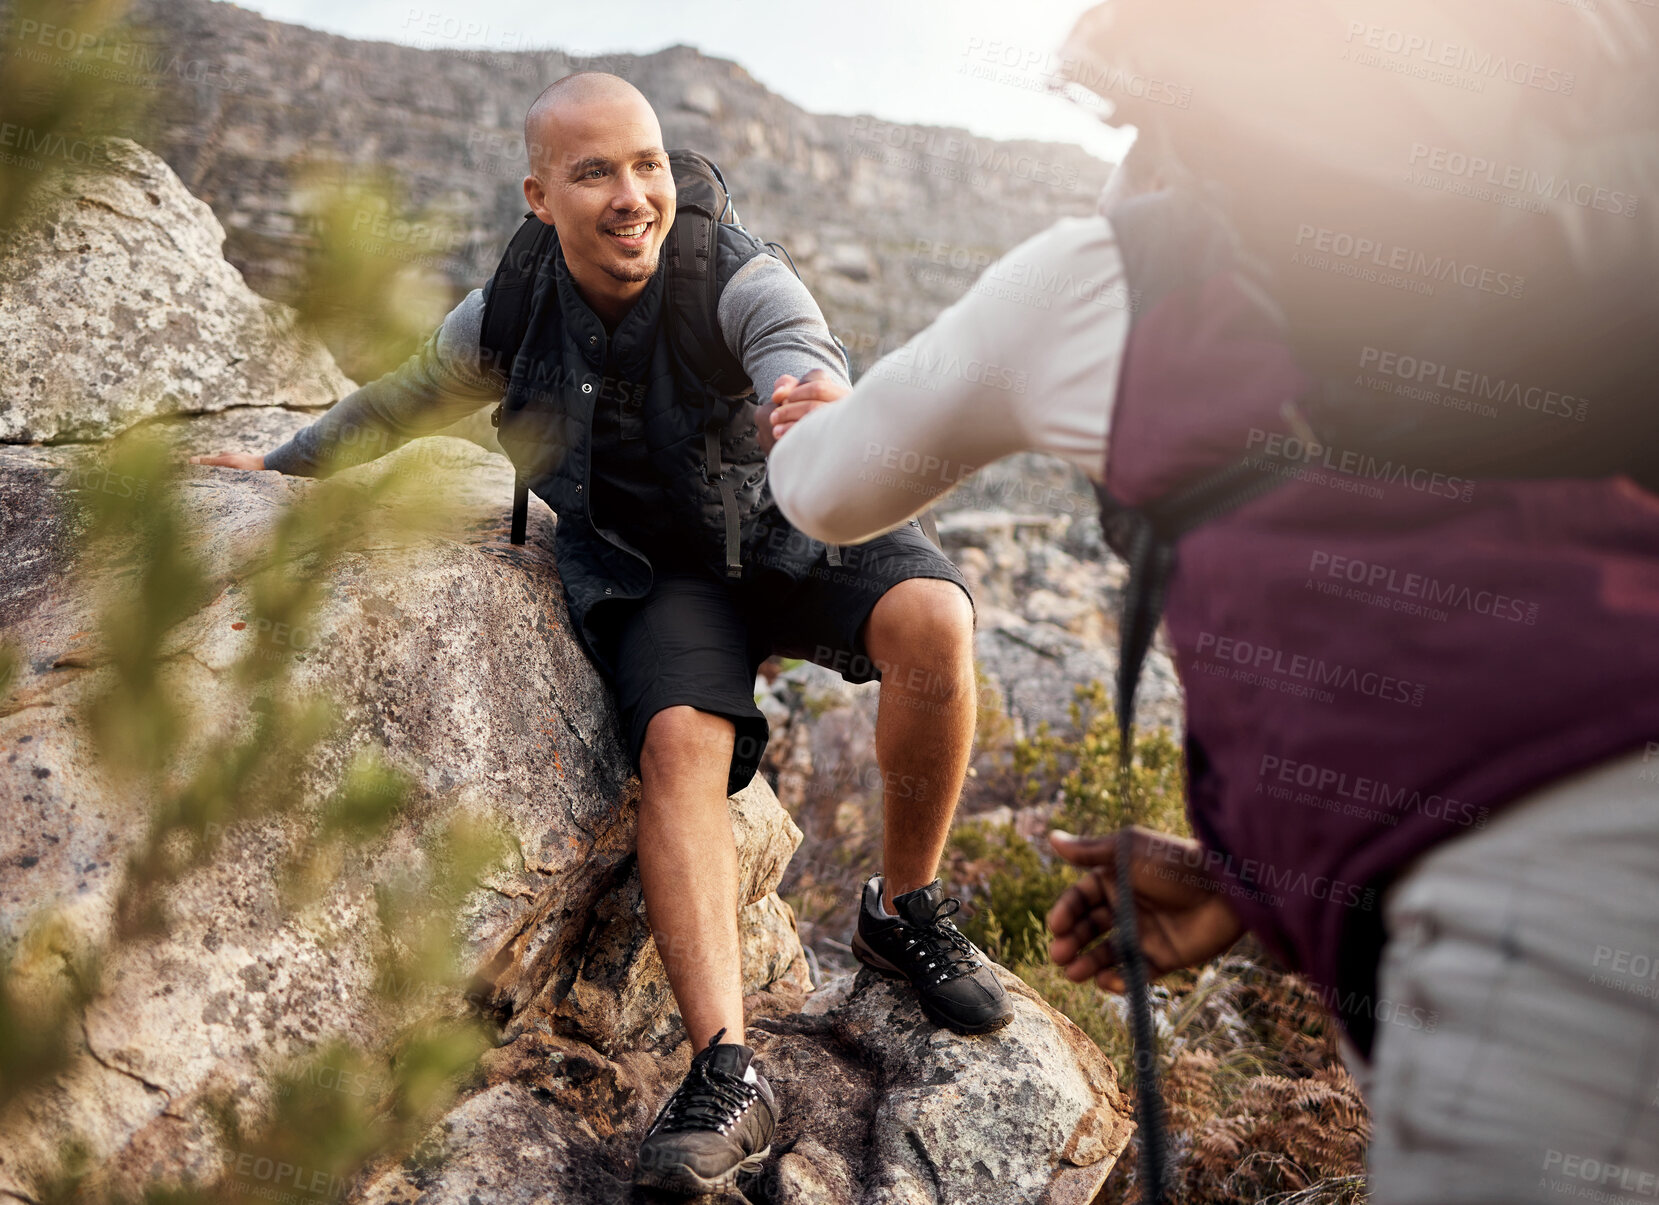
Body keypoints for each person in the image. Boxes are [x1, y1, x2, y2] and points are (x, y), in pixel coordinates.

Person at [767, 5, 1659, 1202]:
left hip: (1563, 960)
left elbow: (828, 496)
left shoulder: (1115, 280)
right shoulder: (1602, 230)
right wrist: (1252, 876)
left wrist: (806, 414)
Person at [191, 72, 1011, 1197]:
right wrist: (278, 467)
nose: (633, 195)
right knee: (681, 741)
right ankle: (728, 1068)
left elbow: (800, 351)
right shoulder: (512, 312)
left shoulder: (734, 271)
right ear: (540, 195)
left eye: (648, 164)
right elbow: (398, 401)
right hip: (656, 566)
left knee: (936, 616)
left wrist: (819, 404)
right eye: (594, 172)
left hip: (788, 519)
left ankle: (904, 908)